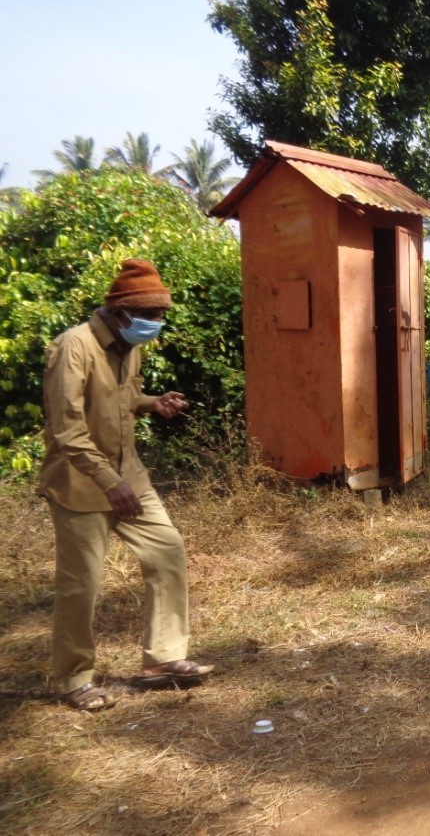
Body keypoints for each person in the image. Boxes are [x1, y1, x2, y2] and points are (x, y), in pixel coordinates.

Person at [38, 259, 214, 711]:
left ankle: (163, 658)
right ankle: (72, 678)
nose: (154, 324)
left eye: (159, 316)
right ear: (119, 311)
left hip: (127, 475)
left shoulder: (127, 345)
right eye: (148, 316)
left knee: (167, 551)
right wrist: (108, 481)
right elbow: (66, 429)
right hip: (80, 482)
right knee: (82, 583)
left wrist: (151, 402)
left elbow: (120, 398)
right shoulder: (72, 348)